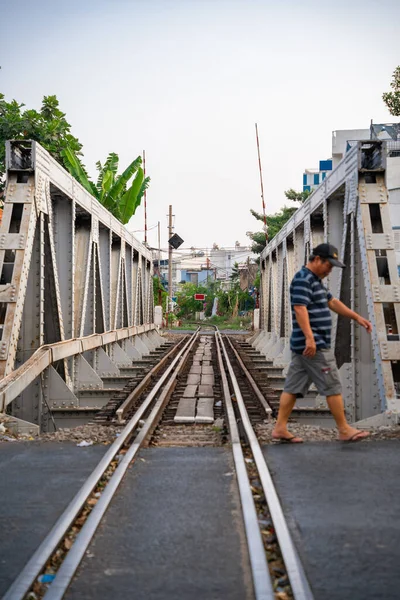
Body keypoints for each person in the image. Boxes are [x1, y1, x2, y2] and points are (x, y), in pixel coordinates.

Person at [271, 243, 372, 443]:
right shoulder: (302, 279)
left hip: (307, 345)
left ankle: (280, 428)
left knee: (292, 387)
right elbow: (300, 309)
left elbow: (332, 302)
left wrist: (356, 317)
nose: (330, 270)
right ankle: (344, 429)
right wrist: (310, 338)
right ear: (317, 259)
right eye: (328, 265)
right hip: (314, 345)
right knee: (333, 386)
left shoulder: (315, 281)